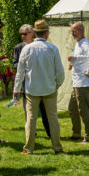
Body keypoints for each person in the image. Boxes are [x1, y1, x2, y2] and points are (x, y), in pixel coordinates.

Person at [13, 19, 64, 154]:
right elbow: (60, 73)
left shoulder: (26, 49)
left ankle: (28, 148)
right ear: (46, 33)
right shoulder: (53, 49)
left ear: (35, 33)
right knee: (53, 119)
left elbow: (20, 72)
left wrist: (16, 90)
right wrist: (55, 85)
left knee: (30, 119)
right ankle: (57, 147)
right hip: (49, 89)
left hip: (32, 90)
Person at [13, 24, 51, 137]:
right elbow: (15, 65)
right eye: (21, 35)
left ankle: (50, 133)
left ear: (32, 33)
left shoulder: (41, 45)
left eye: (25, 34)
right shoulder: (18, 47)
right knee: (29, 113)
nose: (23, 36)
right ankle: (31, 134)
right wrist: (25, 68)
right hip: (27, 84)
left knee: (46, 112)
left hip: (43, 83)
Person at [68, 21, 89, 142]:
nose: (73, 33)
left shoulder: (85, 43)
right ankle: (76, 133)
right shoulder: (78, 44)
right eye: (71, 31)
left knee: (83, 110)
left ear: (81, 30)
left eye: (74, 30)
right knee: (72, 108)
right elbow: (81, 59)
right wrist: (72, 61)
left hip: (83, 83)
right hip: (76, 82)